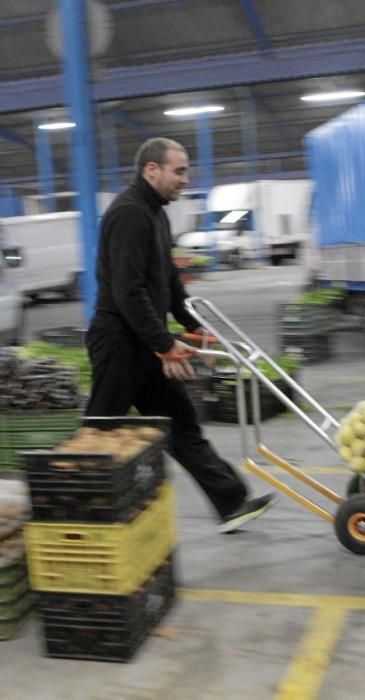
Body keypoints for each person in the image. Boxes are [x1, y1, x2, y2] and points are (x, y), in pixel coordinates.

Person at [85, 137, 275, 533]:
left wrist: (191, 324)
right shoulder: (128, 214)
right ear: (151, 170)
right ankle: (75, 513)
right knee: (99, 433)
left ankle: (233, 503)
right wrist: (165, 344)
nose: (186, 180)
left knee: (181, 424)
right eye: (180, 171)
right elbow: (128, 291)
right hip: (119, 344)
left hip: (144, 342)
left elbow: (168, 282)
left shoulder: (157, 214)